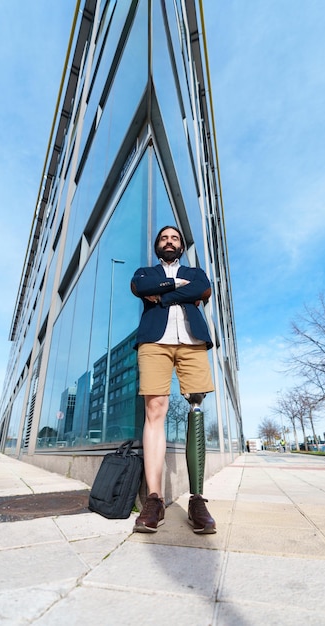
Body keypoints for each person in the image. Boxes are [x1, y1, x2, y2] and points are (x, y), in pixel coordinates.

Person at [130, 225, 216, 534]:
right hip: (154, 343)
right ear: (158, 245)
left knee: (196, 408)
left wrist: (163, 295)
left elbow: (202, 288)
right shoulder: (145, 272)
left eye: (175, 238)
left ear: (181, 246)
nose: (170, 241)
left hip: (192, 342)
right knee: (156, 409)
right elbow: (140, 287)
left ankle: (197, 500)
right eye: (165, 238)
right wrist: (176, 286)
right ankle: (154, 499)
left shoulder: (195, 272)